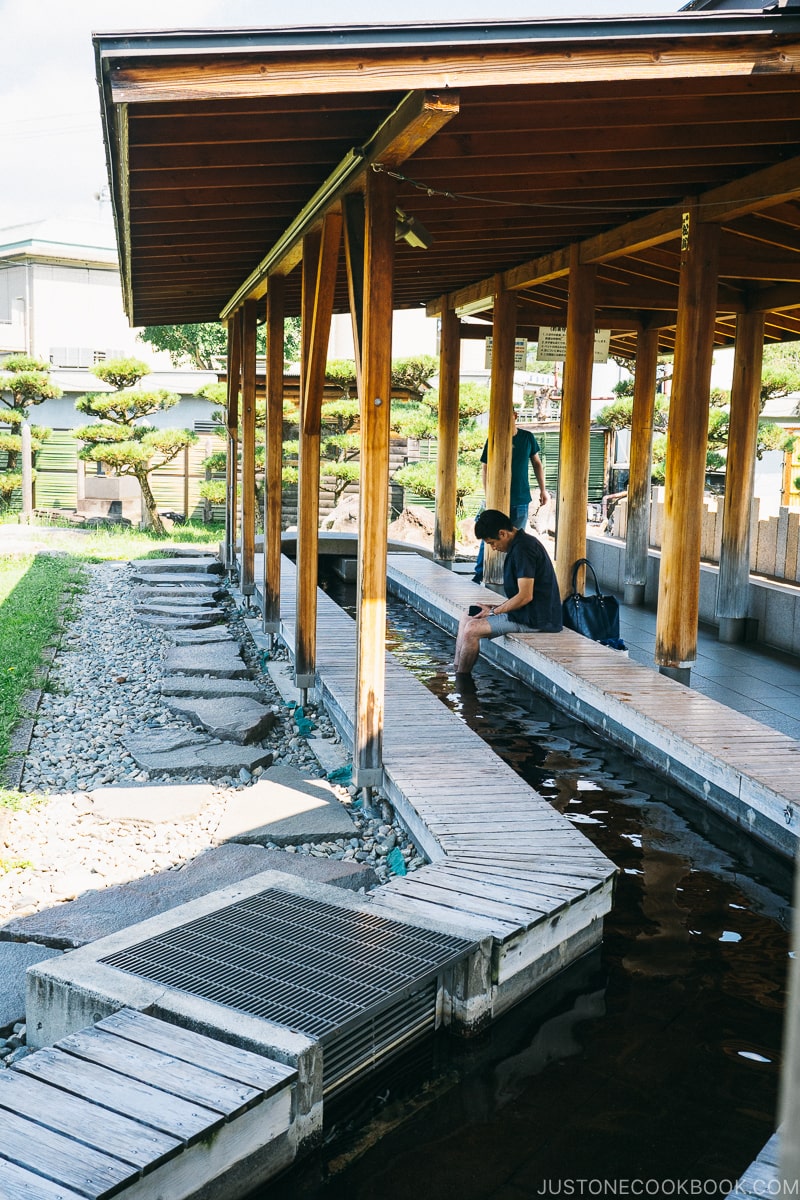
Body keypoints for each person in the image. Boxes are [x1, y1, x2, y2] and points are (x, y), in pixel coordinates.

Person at [453, 508, 562, 676]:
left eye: (491, 543)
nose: (494, 548)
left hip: (537, 619)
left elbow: (526, 596)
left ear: (502, 533)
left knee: (471, 630)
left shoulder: (524, 549)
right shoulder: (519, 545)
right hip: (526, 612)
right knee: (467, 615)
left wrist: (494, 612)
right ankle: (456, 667)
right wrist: (496, 607)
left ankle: (461, 680)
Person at [472, 410, 548, 583]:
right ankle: (480, 575)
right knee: (489, 538)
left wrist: (543, 490)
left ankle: (512, 578)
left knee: (516, 540)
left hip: (521, 497)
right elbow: (485, 467)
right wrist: (488, 493)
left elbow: (537, 463)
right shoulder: (493, 439)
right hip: (497, 499)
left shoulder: (527, 437)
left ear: (514, 415)